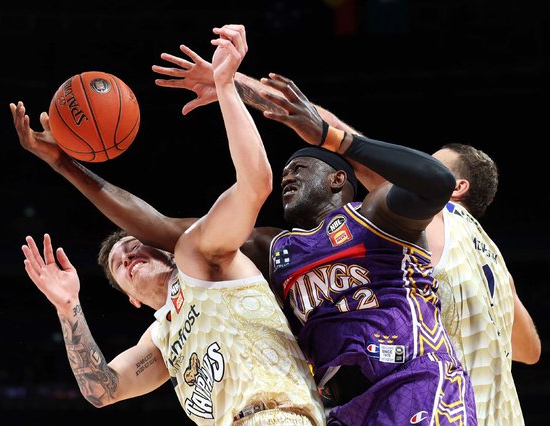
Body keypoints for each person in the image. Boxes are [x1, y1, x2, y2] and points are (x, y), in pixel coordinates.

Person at [14, 24, 476, 425]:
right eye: (288, 169)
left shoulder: (374, 217)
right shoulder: (275, 250)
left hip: (411, 380)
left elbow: (433, 181)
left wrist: (320, 132)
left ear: (340, 179)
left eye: (303, 166)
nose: (289, 176)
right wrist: (64, 166)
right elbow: (157, 232)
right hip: (346, 409)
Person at [16, 26, 325, 426]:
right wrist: (68, 307)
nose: (130, 256)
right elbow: (103, 390)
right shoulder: (161, 337)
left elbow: (255, 184)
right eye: (119, 265)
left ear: (162, 250)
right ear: (131, 299)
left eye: (134, 246)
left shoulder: (202, 259)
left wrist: (227, 87)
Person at [426, 143, 541, 425]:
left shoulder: (435, 217)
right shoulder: (497, 262)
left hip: (454, 412)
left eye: (431, 167)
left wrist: (331, 135)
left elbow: (372, 168)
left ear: (457, 187)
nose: (420, 171)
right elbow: (530, 351)